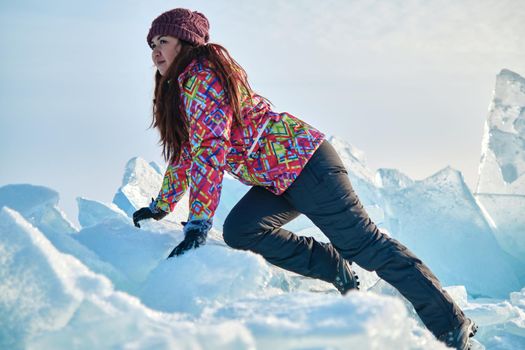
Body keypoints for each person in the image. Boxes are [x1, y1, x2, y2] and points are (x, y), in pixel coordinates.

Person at [132, 8, 477, 349]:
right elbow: (187, 154)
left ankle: (451, 323)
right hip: (277, 178)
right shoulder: (182, 88)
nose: (155, 51)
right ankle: (332, 265)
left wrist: (198, 224)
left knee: (366, 246)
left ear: (186, 43)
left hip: (307, 164)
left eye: (163, 40)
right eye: (151, 45)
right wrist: (161, 206)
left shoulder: (202, 76)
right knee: (242, 230)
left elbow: (209, 148)